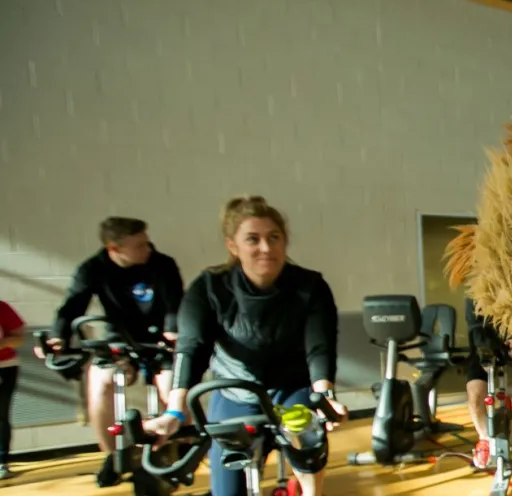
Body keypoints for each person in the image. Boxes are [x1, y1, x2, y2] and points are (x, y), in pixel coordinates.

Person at [143, 196, 347, 496]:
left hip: (292, 387)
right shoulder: (209, 287)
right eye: (253, 239)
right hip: (234, 390)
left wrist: (325, 397)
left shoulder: (310, 286)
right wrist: (174, 412)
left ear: (284, 242)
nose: (266, 247)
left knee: (308, 441)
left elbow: (320, 347)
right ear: (233, 245)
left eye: (274, 238)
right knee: (227, 491)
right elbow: (192, 348)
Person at [37, 217, 183, 486]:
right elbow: (71, 307)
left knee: (169, 390)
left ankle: (164, 451)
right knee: (99, 384)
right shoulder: (93, 269)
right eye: (138, 245)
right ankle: (113, 455)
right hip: (120, 340)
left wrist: (172, 331)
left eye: (146, 241)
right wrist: (58, 336)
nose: (147, 248)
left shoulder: (162, 264)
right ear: (114, 249)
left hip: (159, 340)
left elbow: (175, 304)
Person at [465, 307, 512, 468]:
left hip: (511, 338)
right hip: (482, 346)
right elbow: (474, 326)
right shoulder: (476, 291)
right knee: (475, 395)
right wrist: (484, 352)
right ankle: (484, 438)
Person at [0, 300, 25, 480]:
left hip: (4, 366)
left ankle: (2, 462)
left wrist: (2, 343)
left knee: (0, 415)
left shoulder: (2, 307)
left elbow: (19, 337)